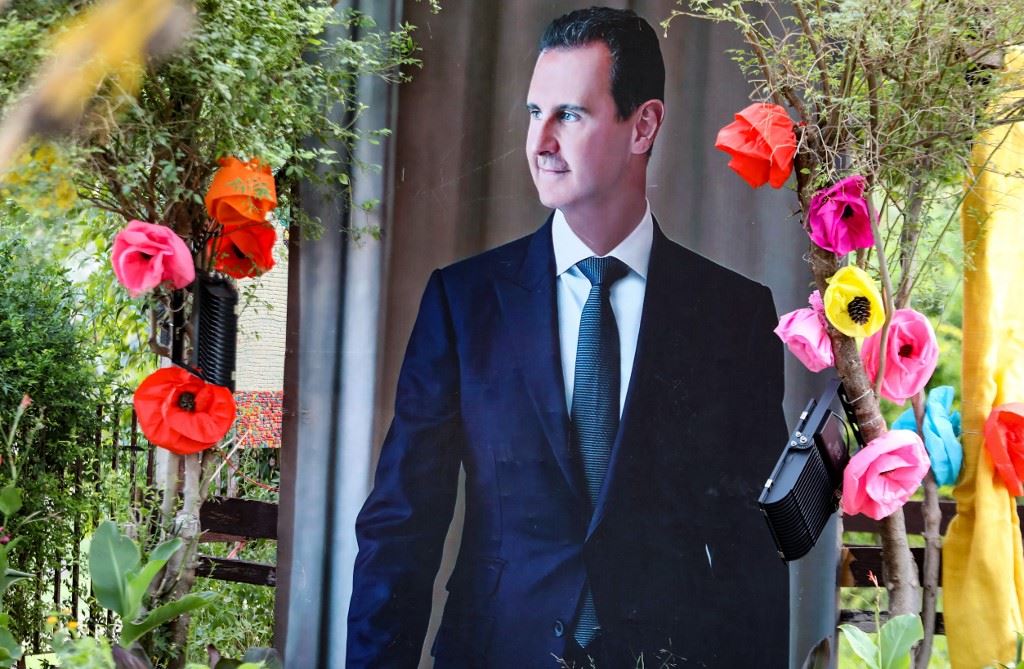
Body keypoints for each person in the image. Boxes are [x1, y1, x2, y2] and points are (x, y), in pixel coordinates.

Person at [347, 7, 788, 667]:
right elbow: (400, 526)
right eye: (534, 113)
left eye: (570, 115)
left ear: (643, 125)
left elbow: (752, 551)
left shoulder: (734, 315)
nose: (540, 142)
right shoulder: (463, 303)